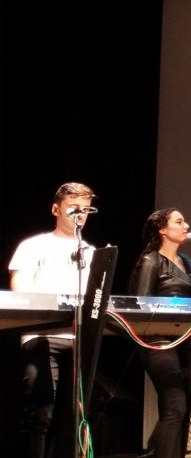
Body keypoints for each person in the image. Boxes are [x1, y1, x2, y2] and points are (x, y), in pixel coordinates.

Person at [8, 182, 98, 458]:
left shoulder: (92, 251)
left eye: (85, 210)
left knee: (75, 418)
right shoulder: (34, 246)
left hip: (79, 337)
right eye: (73, 209)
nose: (79, 215)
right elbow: (20, 290)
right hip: (43, 336)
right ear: (55, 209)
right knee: (41, 412)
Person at [128, 208, 191, 458]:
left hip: (189, 342)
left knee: (185, 408)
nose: (186, 225)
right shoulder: (151, 261)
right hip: (158, 342)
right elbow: (140, 306)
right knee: (175, 406)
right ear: (162, 229)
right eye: (179, 221)